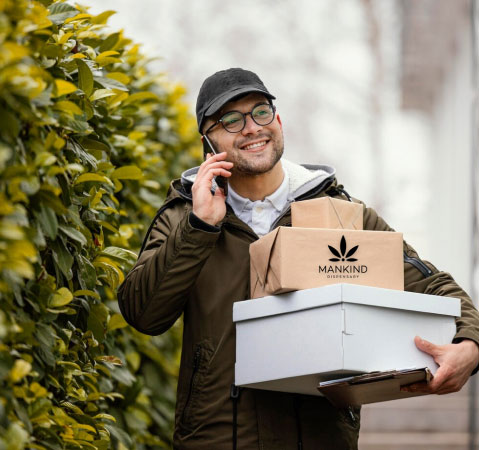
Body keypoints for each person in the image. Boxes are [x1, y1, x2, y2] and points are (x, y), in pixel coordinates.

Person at [118, 68, 479, 450]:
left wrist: (470, 344)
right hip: (217, 440)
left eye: (260, 111)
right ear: (208, 141)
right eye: (231, 120)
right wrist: (199, 226)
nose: (252, 128)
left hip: (320, 438)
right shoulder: (184, 216)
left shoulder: (342, 214)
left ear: (278, 119)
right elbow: (144, 314)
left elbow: (437, 287)